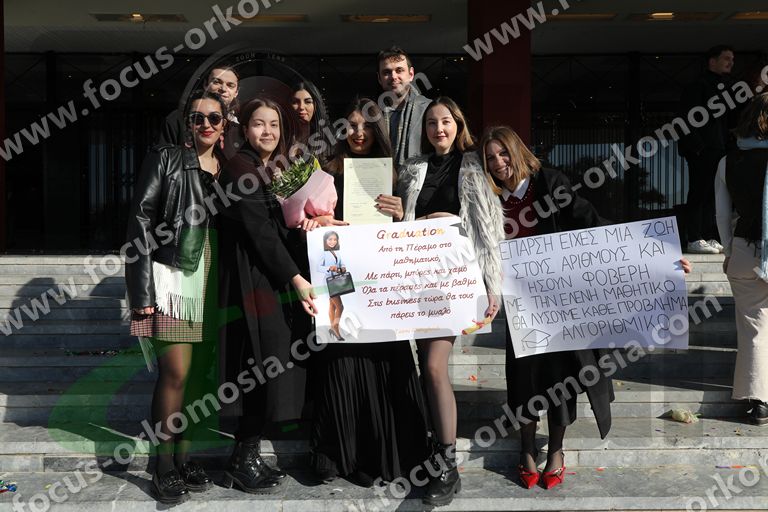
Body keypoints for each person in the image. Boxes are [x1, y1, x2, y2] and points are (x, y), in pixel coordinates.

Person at [480, 125, 692, 489]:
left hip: (561, 303)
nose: (498, 163)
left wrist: (658, 255)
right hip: (519, 304)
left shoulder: (549, 184)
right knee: (523, 379)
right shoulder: (488, 198)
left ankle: (556, 450)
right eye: (490, 158)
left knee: (559, 378)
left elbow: (593, 225)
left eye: (503, 153)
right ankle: (526, 448)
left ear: (517, 151)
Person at [309, 97, 430, 487]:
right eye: (351, 125)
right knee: (343, 359)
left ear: (378, 131)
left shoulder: (395, 175)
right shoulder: (327, 172)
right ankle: (342, 454)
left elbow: (413, 234)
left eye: (365, 126)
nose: (358, 133)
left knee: (384, 362)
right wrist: (319, 220)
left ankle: (384, 453)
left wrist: (402, 213)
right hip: (339, 275)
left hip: (382, 283)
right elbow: (310, 223)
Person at [397, 97, 502, 506]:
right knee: (422, 366)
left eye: (445, 121)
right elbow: (401, 223)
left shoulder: (474, 166)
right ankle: (431, 449)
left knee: (434, 367)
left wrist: (492, 286)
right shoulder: (413, 168)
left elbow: (487, 229)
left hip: (454, 281)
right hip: (413, 279)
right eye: (431, 123)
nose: (438, 129)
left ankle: (447, 463)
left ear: (458, 124)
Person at [126, 90, 228, 503]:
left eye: (214, 118)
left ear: (224, 124)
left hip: (214, 276)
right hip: (173, 276)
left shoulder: (229, 167)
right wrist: (140, 290)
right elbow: (140, 220)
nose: (206, 124)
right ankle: (163, 464)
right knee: (176, 372)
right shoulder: (166, 158)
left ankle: (185, 458)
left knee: (200, 376)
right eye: (198, 118)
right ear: (188, 124)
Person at [217, 96, 318, 493]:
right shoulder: (240, 169)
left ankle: (248, 454)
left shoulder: (265, 167)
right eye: (259, 124)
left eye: (274, 125)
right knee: (255, 366)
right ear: (244, 129)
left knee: (263, 365)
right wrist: (297, 280)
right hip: (249, 280)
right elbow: (261, 233)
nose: (268, 132)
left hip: (262, 278)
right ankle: (242, 459)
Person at [715, 93, 768, 426]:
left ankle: (760, 403)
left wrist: (728, 251)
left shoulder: (727, 161)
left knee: (753, 329)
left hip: (746, 251)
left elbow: (722, 215)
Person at [679, 45, 736, 254]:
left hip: (719, 149)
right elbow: (685, 119)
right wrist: (698, 148)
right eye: (726, 58)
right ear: (712, 61)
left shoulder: (725, 88)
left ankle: (709, 235)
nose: (730, 62)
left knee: (714, 194)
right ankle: (694, 237)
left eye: (732, 59)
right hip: (703, 150)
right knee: (699, 191)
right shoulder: (698, 85)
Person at [159, 64, 244, 158]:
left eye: (230, 85)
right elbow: (163, 158)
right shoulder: (178, 118)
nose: (223, 89)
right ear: (205, 84)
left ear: (236, 92)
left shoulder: (242, 125)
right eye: (216, 82)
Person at [377, 46, 432, 167]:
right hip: (378, 177)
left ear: (411, 74)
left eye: (399, 70)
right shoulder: (371, 113)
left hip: (419, 177)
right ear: (379, 78)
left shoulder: (429, 109)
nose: (393, 76)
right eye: (386, 72)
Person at [289, 80, 334, 159]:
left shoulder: (329, 137)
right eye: (295, 102)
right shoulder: (283, 136)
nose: (301, 107)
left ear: (315, 105)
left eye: (308, 102)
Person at [317, 231, 347, 341]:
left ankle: (332, 327)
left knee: (333, 305)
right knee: (340, 306)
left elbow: (342, 264)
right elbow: (318, 267)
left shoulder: (336, 252)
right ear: (325, 240)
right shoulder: (323, 253)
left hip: (336, 280)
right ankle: (335, 328)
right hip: (329, 282)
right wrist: (329, 268)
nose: (332, 242)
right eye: (330, 239)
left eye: (335, 239)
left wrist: (342, 268)